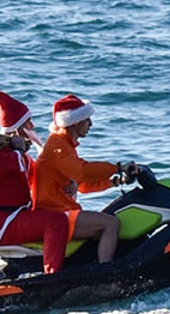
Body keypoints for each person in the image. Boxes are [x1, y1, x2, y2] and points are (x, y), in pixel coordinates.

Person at [34, 95, 136, 265]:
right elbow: (82, 171)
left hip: (62, 211)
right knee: (110, 224)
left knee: (108, 220)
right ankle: (105, 272)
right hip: (55, 214)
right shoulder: (57, 145)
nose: (91, 125)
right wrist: (117, 167)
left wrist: (116, 181)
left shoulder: (65, 145)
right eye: (87, 120)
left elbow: (82, 185)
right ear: (74, 122)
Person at [0, 91, 70, 276]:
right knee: (57, 222)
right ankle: (53, 275)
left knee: (58, 215)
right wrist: (17, 149)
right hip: (0, 223)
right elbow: (0, 167)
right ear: (17, 129)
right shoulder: (0, 154)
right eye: (28, 122)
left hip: (13, 218)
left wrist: (66, 183)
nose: (33, 126)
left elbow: (40, 180)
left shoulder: (22, 157)